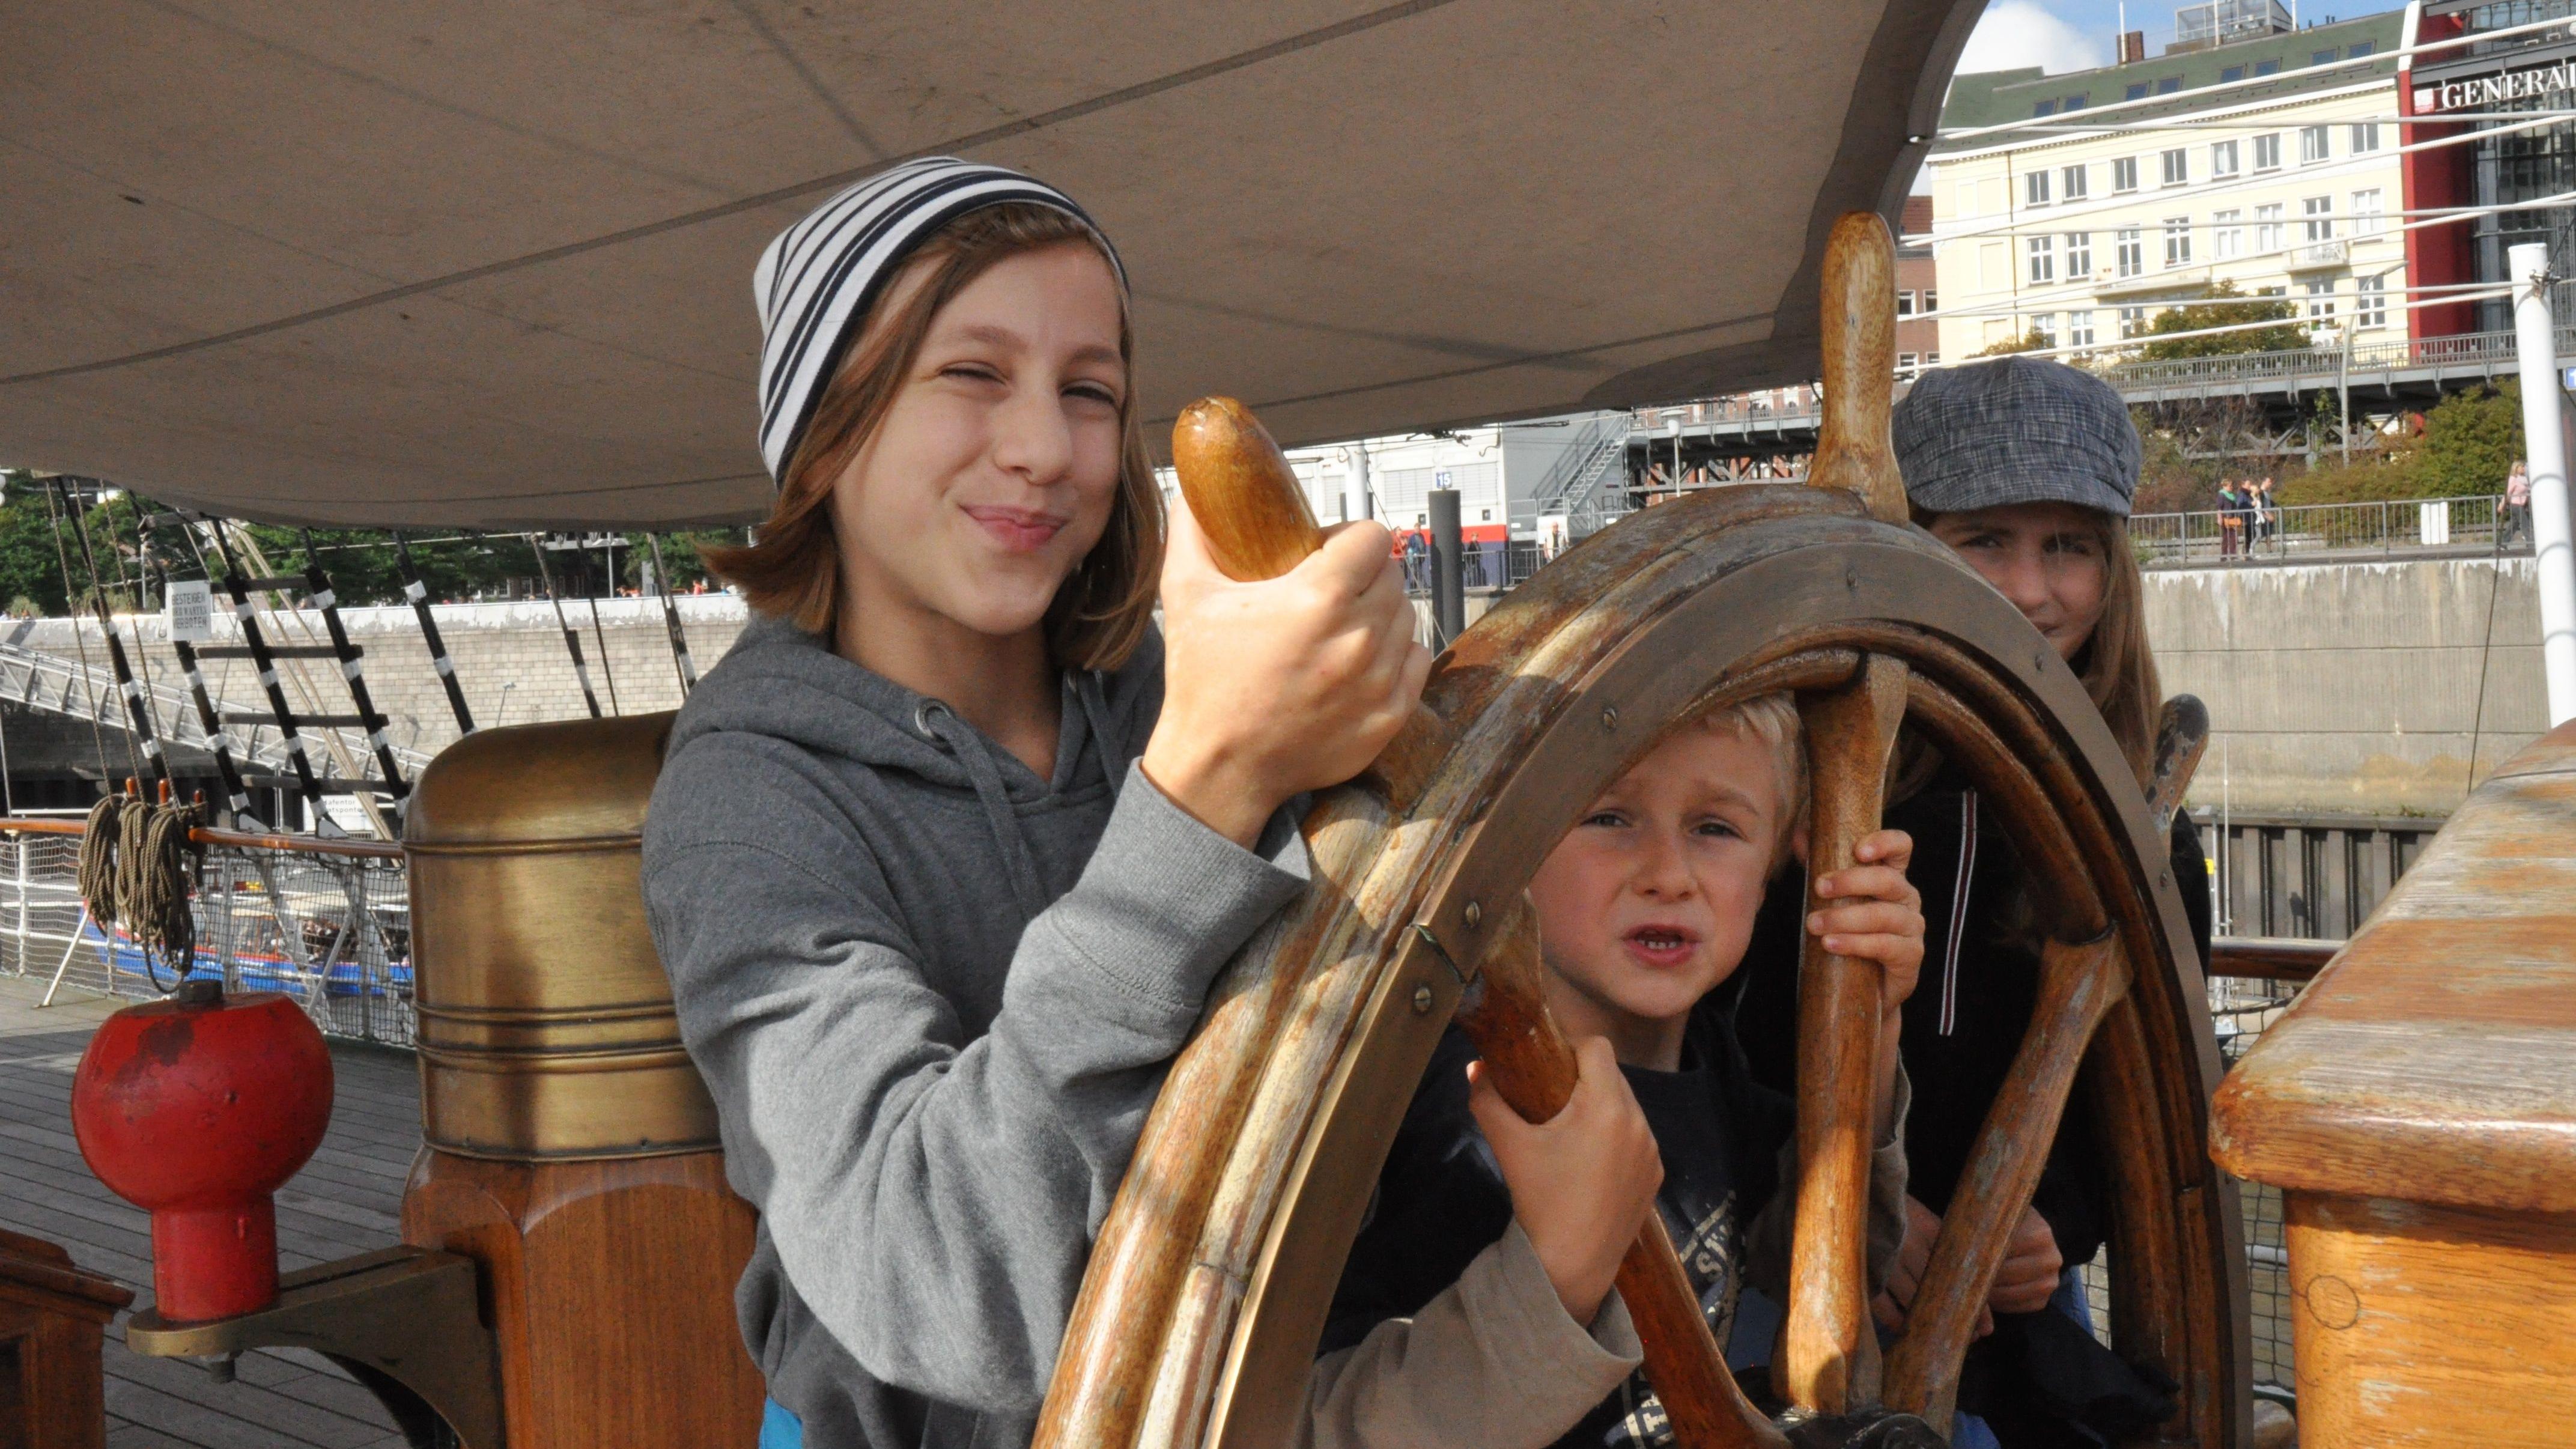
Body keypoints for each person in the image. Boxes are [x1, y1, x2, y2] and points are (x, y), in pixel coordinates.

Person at [643, 158, 1432, 1449]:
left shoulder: (1172, 701)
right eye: (970, 375)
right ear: (825, 427)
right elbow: (940, 1292)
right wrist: (1205, 793)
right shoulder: (744, 807)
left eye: (1089, 393)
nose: (1043, 449)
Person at [1733, 357, 2207, 1449]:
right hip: (1796, 1257)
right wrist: (1852, 1209)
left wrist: (2058, 1224)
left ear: (2111, 567)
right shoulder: (1793, 781)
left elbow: (2156, 1079)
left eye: (2067, 547)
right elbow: (1720, 1031)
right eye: (1983, 540)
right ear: (1910, 544)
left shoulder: (2146, 830)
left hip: (2019, 1294)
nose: (2029, 590)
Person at [1300, 696, 1928, 1449]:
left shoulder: (1712, 1068)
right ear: (1513, 847)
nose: (1668, 874)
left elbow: (1822, 1265)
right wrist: (1559, 1276)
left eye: (1715, 829)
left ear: (1770, 874)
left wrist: (1870, 1024)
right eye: (1609, 819)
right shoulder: (1432, 1101)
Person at [2501, 460, 2532, 547]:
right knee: (2525, 523)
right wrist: (2502, 504)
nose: (2524, 468)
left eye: (2524, 466)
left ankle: (2503, 542)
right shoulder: (2513, 479)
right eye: (2521, 467)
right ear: (2516, 468)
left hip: (2523, 505)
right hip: (2515, 504)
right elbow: (2508, 493)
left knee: (2515, 524)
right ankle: (2531, 544)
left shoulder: (2524, 479)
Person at [2214, 479, 2243, 560]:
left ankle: (2232, 555)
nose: (2232, 487)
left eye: (2232, 486)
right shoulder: (2222, 495)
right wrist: (2219, 518)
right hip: (2225, 519)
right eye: (2230, 486)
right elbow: (2219, 508)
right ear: (2225, 486)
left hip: (2232, 518)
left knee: (2233, 537)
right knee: (2226, 538)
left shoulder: (2232, 495)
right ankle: (2224, 556)